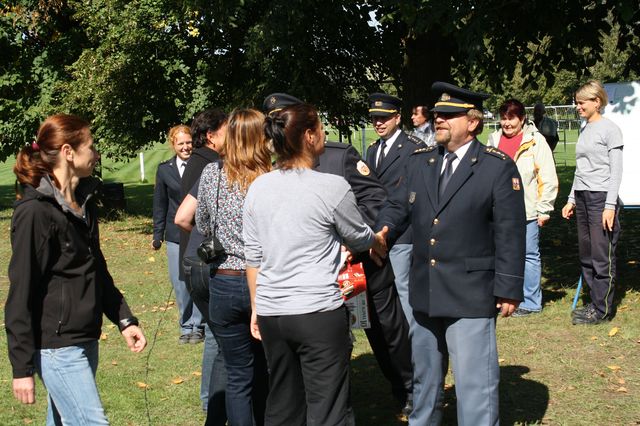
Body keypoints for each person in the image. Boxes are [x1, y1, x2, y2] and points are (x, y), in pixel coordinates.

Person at [376, 82, 526, 425]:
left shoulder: (495, 167)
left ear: (472, 122)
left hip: (470, 292)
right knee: (425, 383)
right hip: (426, 290)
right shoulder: (421, 162)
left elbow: (510, 231)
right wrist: (381, 231)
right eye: (438, 114)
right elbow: (397, 207)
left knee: (475, 386)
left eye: (448, 114)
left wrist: (509, 287)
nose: (439, 119)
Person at [263, 93, 413, 416]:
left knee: (387, 333)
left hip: (359, 269)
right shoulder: (271, 174)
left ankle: (407, 389)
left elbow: (375, 199)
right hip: (313, 285)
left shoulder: (339, 156)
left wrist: (360, 239)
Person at [244, 103, 387, 425]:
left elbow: (253, 256)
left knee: (282, 405)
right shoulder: (331, 186)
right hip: (317, 313)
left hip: (272, 313)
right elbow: (359, 237)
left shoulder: (258, 188)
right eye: (321, 128)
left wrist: (256, 306)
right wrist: (377, 240)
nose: (324, 134)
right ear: (309, 136)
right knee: (329, 407)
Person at [5, 114, 147, 425]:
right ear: (69, 151)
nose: (96, 155)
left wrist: (124, 318)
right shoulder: (35, 213)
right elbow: (21, 291)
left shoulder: (84, 201)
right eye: (91, 147)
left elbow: (96, 267)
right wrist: (21, 368)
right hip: (57, 346)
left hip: (86, 336)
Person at [195, 108, 270, 426]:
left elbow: (202, 223)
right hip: (263, 281)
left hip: (224, 281)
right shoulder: (269, 178)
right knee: (266, 368)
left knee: (238, 374)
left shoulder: (212, 174)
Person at [487, 99, 558, 316]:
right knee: (497, 253)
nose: (507, 123)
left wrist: (544, 208)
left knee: (528, 255)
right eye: (504, 118)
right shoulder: (493, 139)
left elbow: (547, 176)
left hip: (526, 210)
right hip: (497, 210)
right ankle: (501, 296)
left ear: (522, 118)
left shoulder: (536, 141)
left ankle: (531, 301)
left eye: (512, 118)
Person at [180, 109, 228, 418]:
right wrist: (215, 241)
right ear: (211, 136)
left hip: (193, 261)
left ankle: (210, 399)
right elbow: (186, 219)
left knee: (214, 333)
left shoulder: (197, 160)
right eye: (227, 131)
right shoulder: (210, 165)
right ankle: (211, 399)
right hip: (205, 262)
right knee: (218, 335)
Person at [562, 80, 623, 325]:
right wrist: (570, 199)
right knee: (586, 254)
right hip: (583, 198)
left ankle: (602, 310)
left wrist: (609, 206)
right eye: (576, 102)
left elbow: (616, 171)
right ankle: (593, 303)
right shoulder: (585, 128)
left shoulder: (610, 129)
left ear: (596, 102)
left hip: (601, 199)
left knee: (602, 256)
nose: (577, 106)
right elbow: (581, 169)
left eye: (581, 102)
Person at [365, 93, 425, 328]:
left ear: (397, 118)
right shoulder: (372, 150)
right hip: (377, 230)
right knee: (382, 290)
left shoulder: (414, 148)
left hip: (402, 231)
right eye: (374, 119)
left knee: (403, 287)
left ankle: (414, 344)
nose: (378, 123)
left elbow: (413, 195)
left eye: (384, 118)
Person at [152, 125, 199, 343]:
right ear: (173, 145)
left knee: (197, 278)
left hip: (197, 231)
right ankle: (185, 325)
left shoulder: (202, 166)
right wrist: (157, 233)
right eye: (180, 143)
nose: (185, 147)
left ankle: (199, 325)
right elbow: (159, 204)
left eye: (188, 142)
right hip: (174, 234)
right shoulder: (164, 170)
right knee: (180, 282)